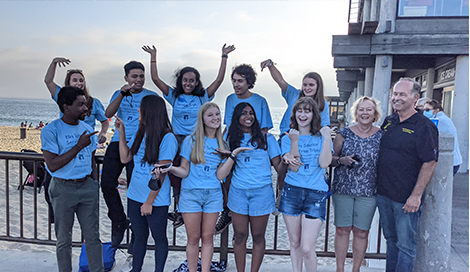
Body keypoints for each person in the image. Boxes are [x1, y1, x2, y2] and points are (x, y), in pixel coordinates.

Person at [142, 43, 235, 227]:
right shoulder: (174, 95)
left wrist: (224, 56)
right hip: (177, 140)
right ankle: (179, 210)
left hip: (198, 139)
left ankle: (222, 207)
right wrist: (153, 56)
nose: (188, 83)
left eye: (192, 80)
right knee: (176, 173)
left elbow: (218, 80)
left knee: (205, 172)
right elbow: (155, 78)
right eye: (185, 80)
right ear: (180, 81)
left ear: (197, 82)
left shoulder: (203, 97)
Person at [161, 102, 234, 272]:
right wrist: (171, 168)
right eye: (210, 115)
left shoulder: (222, 144)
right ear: (202, 119)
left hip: (213, 195)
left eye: (217, 114)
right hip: (191, 194)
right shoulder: (190, 141)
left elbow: (220, 176)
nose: (215, 118)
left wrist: (231, 156)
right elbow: (184, 171)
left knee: (208, 238)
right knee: (193, 239)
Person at [376, 78, 438, 272]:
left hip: (406, 199)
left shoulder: (425, 127)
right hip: (384, 195)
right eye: (395, 94)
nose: (397, 98)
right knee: (391, 241)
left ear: (415, 98)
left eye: (402, 94)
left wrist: (416, 195)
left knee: (406, 246)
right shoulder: (389, 121)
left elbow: (430, 162)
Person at [40, 86, 102, 272]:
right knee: (64, 239)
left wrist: (94, 183)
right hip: (62, 189)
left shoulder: (87, 128)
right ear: (66, 107)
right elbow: (52, 165)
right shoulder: (51, 130)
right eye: (81, 104)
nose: (86, 108)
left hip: (87, 188)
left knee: (93, 237)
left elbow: (91, 159)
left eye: (86, 104)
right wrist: (77, 146)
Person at [114, 95, 177, 272]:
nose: (138, 110)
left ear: (149, 111)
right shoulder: (141, 132)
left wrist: (149, 201)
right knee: (139, 236)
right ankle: (136, 269)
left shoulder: (167, 138)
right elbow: (125, 158)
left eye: (141, 107)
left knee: (159, 238)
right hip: (134, 194)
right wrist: (122, 133)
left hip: (155, 199)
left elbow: (161, 174)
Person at [217, 102, 282, 272]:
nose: (248, 116)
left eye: (251, 113)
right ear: (237, 117)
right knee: (239, 235)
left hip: (262, 192)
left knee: (258, 236)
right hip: (238, 192)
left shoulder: (267, 139)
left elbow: (280, 168)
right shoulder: (229, 139)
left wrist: (291, 157)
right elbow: (222, 166)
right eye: (244, 113)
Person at [102, 61, 159, 250]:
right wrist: (122, 94)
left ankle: (137, 230)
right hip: (119, 141)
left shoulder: (151, 96)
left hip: (141, 144)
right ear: (126, 78)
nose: (138, 80)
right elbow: (108, 114)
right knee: (107, 183)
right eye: (134, 76)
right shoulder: (119, 94)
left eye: (141, 76)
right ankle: (119, 220)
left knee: (136, 189)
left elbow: (159, 120)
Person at [216, 64, 274, 234]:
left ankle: (229, 209)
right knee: (224, 173)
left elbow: (263, 130)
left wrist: (250, 148)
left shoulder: (260, 101)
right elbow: (229, 125)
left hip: (252, 147)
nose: (236, 85)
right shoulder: (230, 99)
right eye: (233, 81)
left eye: (240, 81)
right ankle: (227, 209)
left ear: (249, 82)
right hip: (234, 142)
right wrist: (222, 144)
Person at [280, 97, 334, 272]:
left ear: (313, 114)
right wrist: (295, 141)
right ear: (294, 113)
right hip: (292, 191)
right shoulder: (288, 137)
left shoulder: (321, 137)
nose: (303, 115)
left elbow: (325, 163)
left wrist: (326, 139)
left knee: (307, 247)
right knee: (294, 242)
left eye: (307, 111)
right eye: (299, 111)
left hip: (315, 193)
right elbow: (294, 169)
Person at [330, 96, 383, 272]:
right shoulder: (343, 133)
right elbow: (330, 159)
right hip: (343, 189)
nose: (365, 113)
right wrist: (341, 160)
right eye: (361, 109)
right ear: (356, 112)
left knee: (362, 232)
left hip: (368, 191)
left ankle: (356, 269)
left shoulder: (382, 135)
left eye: (369, 109)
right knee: (342, 230)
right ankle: (340, 269)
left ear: (375, 114)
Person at [44, 57, 109, 143]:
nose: (79, 83)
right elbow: (48, 81)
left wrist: (103, 133)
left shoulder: (94, 102)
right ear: (69, 82)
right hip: (67, 140)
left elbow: (104, 121)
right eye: (74, 80)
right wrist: (54, 63)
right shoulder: (62, 96)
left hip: (87, 142)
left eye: (81, 80)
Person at [423, 99, 462, 175]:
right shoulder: (442, 118)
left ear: (436, 110)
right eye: (424, 109)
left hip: (449, 161)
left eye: (428, 109)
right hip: (452, 160)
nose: (425, 112)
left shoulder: (439, 120)